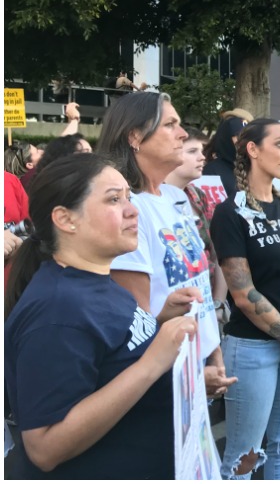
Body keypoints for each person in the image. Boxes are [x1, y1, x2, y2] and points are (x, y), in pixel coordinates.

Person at [4, 153, 198, 478]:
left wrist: (161, 321)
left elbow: (110, 355)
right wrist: (153, 365)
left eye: (128, 197)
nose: (132, 210)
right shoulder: (57, 309)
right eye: (113, 200)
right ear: (66, 219)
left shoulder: (93, 279)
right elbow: (44, 447)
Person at [97, 92, 228, 394]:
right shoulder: (127, 211)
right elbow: (136, 327)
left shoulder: (174, 198)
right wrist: (190, 376)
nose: (183, 134)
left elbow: (200, 288)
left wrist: (212, 351)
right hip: (160, 383)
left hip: (196, 369)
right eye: (170, 124)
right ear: (135, 136)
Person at [210, 119, 280, 480]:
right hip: (253, 349)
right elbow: (242, 293)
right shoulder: (230, 212)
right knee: (245, 455)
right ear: (253, 150)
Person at [166, 126, 229, 328]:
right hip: (172, 315)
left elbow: (217, 253)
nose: (202, 158)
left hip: (207, 309)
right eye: (192, 152)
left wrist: (217, 304)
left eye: (202, 151)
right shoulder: (148, 199)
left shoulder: (198, 196)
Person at [202, 109, 253, 197]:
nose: (244, 141)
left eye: (248, 137)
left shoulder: (255, 169)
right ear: (226, 136)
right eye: (238, 136)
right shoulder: (212, 171)